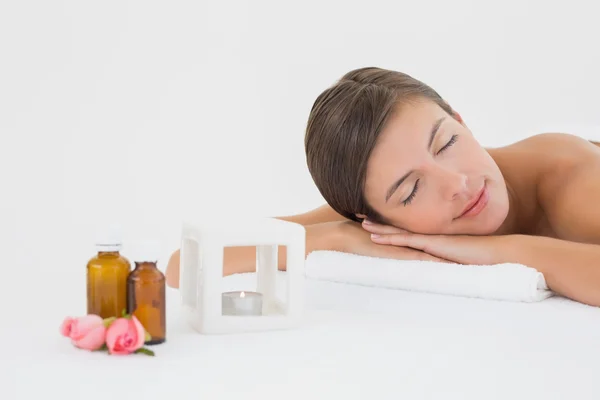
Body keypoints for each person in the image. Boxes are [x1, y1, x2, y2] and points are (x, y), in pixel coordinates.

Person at [166, 67, 600, 307]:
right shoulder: (371, 219)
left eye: (447, 142)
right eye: (411, 191)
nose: (457, 183)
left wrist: (498, 253)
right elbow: (188, 260)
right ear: (371, 218)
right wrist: (337, 238)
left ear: (460, 119)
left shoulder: (571, 182)